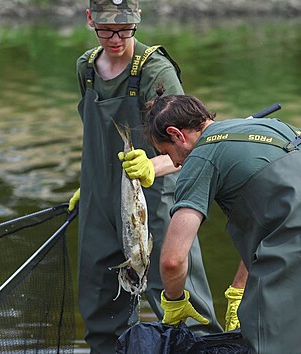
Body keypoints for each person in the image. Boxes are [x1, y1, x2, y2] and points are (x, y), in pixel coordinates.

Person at [145, 94, 301, 353]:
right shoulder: (274, 127)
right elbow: (270, 216)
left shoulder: (202, 156)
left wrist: (173, 301)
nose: (173, 163)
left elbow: (172, 260)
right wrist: (239, 287)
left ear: (177, 135)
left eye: (166, 152)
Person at [67, 1, 223, 352]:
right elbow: (95, 137)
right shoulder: (86, 68)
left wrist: (153, 167)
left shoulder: (155, 70)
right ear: (90, 19)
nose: (116, 39)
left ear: (138, 21)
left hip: (155, 202)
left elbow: (192, 150)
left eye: (125, 29)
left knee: (179, 299)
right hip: (99, 204)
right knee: (100, 308)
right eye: (106, 29)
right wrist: (91, 185)